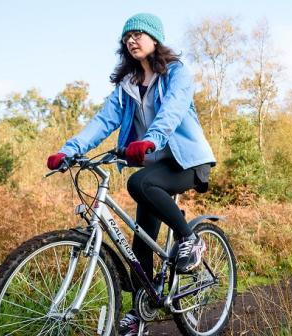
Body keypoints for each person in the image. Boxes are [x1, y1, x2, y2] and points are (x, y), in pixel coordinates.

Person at [46, 13, 215, 336]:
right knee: (140, 240)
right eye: (127, 37)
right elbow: (101, 122)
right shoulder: (127, 86)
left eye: (138, 34)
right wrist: (69, 150)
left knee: (139, 182)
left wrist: (150, 139)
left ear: (155, 40)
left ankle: (190, 239)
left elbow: (173, 110)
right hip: (155, 165)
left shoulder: (176, 73)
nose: (131, 40)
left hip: (188, 162)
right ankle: (142, 312)